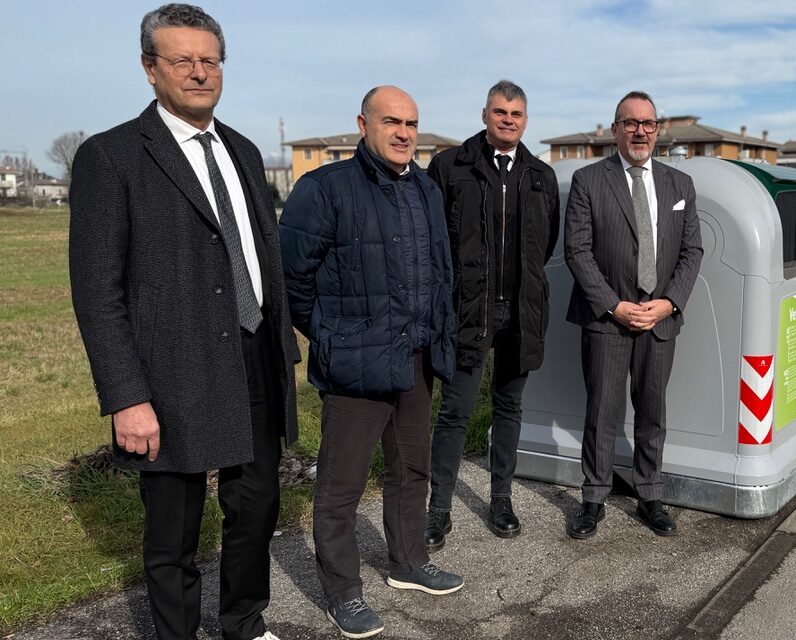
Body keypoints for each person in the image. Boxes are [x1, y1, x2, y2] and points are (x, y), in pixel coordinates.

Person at [68, 5, 298, 639]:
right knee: (174, 529)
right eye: (182, 60)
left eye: (210, 60)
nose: (200, 73)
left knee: (255, 510)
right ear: (150, 69)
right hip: (170, 371)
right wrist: (126, 395)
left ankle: (244, 623)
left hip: (252, 355)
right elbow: (96, 289)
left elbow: (261, 258)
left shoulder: (246, 152)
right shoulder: (111, 156)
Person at [279, 85, 462, 639]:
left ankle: (408, 562)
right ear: (364, 124)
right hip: (355, 364)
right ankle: (342, 593)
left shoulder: (426, 189)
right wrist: (334, 335)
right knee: (341, 485)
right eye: (391, 121)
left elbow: (438, 271)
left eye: (411, 122)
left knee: (411, 470)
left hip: (415, 359)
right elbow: (293, 280)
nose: (404, 132)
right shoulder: (325, 189)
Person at [423, 80, 560, 551]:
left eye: (516, 114)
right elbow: (433, 242)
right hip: (468, 311)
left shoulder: (541, 176)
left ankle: (500, 498)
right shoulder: (450, 168)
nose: (508, 119)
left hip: (520, 310)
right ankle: (438, 508)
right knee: (455, 411)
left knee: (509, 407)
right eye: (500, 112)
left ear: (526, 120)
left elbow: (546, 244)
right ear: (484, 114)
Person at [562, 91, 703, 540]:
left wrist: (669, 302)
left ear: (657, 130)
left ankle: (650, 496)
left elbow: (691, 251)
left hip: (659, 318)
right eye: (630, 123)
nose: (640, 131)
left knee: (652, 411)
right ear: (614, 129)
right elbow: (577, 252)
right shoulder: (589, 180)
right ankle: (593, 499)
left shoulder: (679, 185)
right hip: (607, 319)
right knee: (602, 411)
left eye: (648, 124)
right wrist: (615, 306)